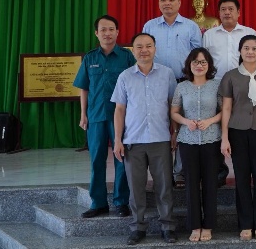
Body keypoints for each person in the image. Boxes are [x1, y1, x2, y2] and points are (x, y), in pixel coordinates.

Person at [112, 33, 178, 245]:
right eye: (139, 46)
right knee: (136, 188)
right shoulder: (125, 77)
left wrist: (175, 132)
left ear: (155, 49)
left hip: (160, 139)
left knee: (164, 187)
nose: (144, 50)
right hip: (133, 141)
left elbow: (173, 105)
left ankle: (167, 226)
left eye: (148, 46)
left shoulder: (167, 74)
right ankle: (137, 227)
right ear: (132, 50)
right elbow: (119, 109)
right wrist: (117, 140)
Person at [73, 15, 135, 219]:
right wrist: (83, 114)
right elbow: (84, 88)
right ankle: (98, 203)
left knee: (121, 158)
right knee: (97, 160)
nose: (107, 33)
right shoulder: (90, 58)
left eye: (111, 29)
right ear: (96, 33)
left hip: (121, 116)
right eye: (103, 30)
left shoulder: (126, 57)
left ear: (117, 32)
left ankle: (121, 202)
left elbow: (135, 85)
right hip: (96, 116)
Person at [142, 0, 201, 189]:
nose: (167, 3)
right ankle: (162, 173)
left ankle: (180, 172)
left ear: (179, 2)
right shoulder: (150, 26)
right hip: (156, 82)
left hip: (183, 81)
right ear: (159, 2)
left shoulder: (190, 27)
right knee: (159, 125)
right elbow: (143, 53)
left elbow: (197, 56)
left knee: (184, 126)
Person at [220, 35, 256, 241]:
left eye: (254, 48)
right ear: (240, 51)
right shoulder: (231, 76)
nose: (250, 52)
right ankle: (245, 224)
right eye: (246, 48)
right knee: (241, 178)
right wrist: (225, 137)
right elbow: (226, 108)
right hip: (238, 131)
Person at [202, 0, 256, 185]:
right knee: (217, 128)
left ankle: (249, 168)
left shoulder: (249, 32)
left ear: (238, 12)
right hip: (217, 87)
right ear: (219, 13)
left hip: (244, 87)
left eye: (231, 9)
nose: (227, 13)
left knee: (244, 126)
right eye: (223, 9)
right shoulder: (209, 35)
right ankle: (219, 170)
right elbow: (205, 62)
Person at [170, 48, 222, 243]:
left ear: (209, 65)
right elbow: (174, 112)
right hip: (188, 141)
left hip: (212, 140)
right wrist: (185, 122)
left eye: (203, 62)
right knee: (191, 184)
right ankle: (195, 226)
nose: (199, 65)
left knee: (210, 183)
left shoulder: (216, 85)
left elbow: (225, 110)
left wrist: (210, 121)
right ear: (189, 65)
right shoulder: (182, 87)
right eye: (195, 62)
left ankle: (208, 225)